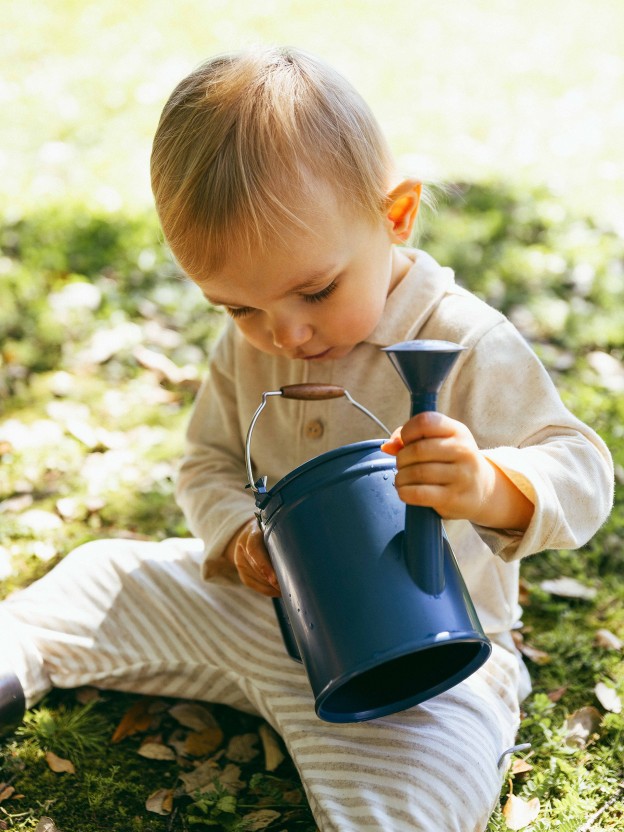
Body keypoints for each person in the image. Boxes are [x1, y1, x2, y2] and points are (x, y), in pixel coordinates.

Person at [0, 47, 614, 831]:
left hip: (426, 663)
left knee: (413, 793)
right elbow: (208, 463)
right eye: (239, 308)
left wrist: (492, 485)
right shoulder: (255, 344)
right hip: (268, 619)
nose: (282, 333)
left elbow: (583, 467)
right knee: (104, 576)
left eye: (315, 290)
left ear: (394, 217)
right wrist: (233, 534)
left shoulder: (461, 339)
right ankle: (18, 649)